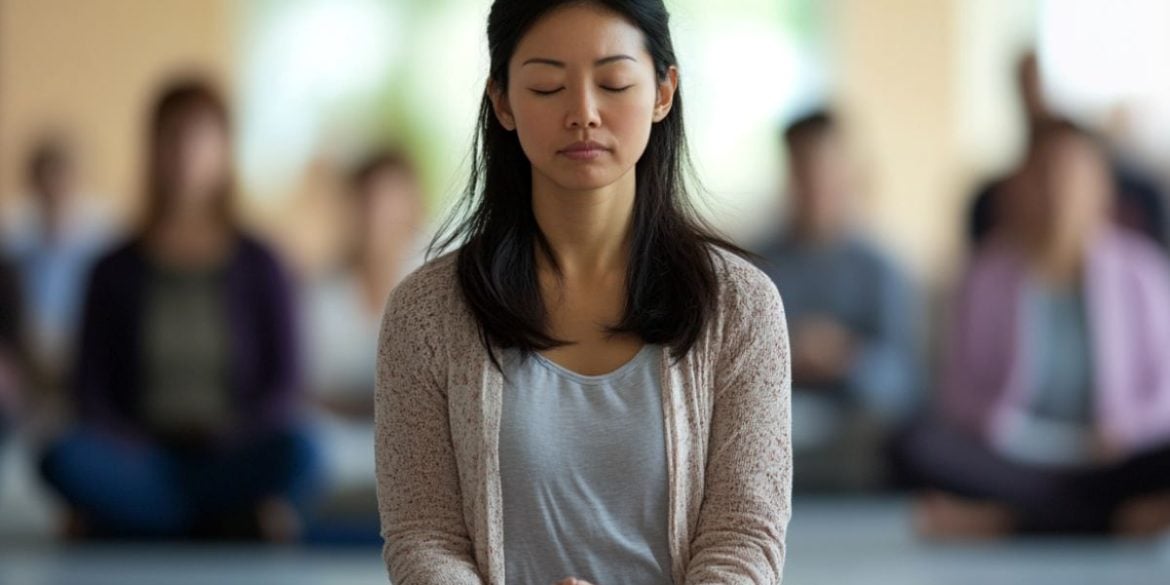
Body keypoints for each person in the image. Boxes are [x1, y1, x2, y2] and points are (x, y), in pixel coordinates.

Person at [374, 1, 792, 584]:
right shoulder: (425, 312)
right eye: (547, 87)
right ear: (502, 102)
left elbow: (744, 539)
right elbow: (424, 537)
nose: (583, 113)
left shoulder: (742, 306)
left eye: (614, 82)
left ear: (664, 91)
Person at [38, 78, 319, 542]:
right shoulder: (112, 268)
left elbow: (284, 385)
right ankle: (217, 520)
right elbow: (89, 391)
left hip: (230, 452)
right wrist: (131, 444)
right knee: (62, 458)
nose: (188, 152)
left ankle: (140, 520)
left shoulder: (261, 263)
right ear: (152, 148)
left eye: (202, 136)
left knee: (302, 452)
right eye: (174, 136)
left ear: (226, 149)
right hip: (140, 456)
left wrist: (234, 436)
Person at [897, 119, 1170, 538]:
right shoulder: (983, 275)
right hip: (1014, 456)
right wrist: (999, 426)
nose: (1057, 191)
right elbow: (956, 392)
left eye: (1074, 176)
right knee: (916, 444)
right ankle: (1115, 521)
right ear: (1016, 188)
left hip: (1115, 453)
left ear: (1103, 189)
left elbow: (1163, 389)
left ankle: (1004, 522)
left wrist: (1125, 428)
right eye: (1043, 175)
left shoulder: (1143, 272)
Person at [755, 110, 919, 492]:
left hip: (858, 429)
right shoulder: (755, 267)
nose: (816, 188)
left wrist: (847, 358)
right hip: (776, 428)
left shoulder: (883, 269)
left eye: (826, 173)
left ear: (849, 174)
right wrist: (788, 356)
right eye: (804, 172)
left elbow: (906, 385)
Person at [301, 149, 426, 539]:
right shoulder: (318, 295)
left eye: (389, 201)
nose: (377, 215)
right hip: (336, 443)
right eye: (367, 201)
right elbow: (304, 390)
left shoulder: (435, 293)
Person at [968, 50, 1166, 249]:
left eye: (1067, 174)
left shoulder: (1142, 197)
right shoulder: (990, 204)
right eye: (1043, 175)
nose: (1055, 190)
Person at [2, 137, 114, 394]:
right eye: (46, 179)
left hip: (85, 348)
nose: (54, 188)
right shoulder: (15, 239)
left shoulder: (103, 238)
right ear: (34, 184)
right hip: (28, 352)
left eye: (61, 178)